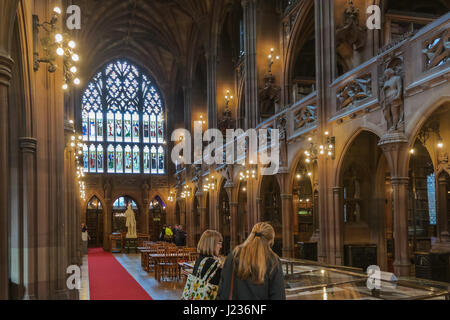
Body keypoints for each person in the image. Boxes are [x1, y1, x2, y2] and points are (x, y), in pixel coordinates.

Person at [217, 222, 286, 300]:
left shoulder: (234, 255)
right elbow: (278, 295)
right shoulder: (273, 261)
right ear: (270, 241)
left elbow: (224, 287)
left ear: (252, 235)